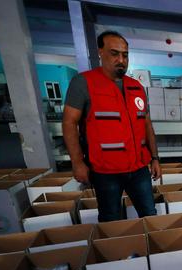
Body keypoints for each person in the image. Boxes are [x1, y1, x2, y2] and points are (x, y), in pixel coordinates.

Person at [63, 30, 161, 222]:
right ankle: (114, 251)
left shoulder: (136, 87)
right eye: (114, 53)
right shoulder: (83, 83)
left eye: (125, 55)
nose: (121, 60)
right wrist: (77, 162)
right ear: (100, 52)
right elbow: (69, 122)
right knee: (110, 219)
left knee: (149, 215)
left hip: (139, 168)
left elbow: (147, 124)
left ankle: (153, 250)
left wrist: (155, 158)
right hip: (105, 171)